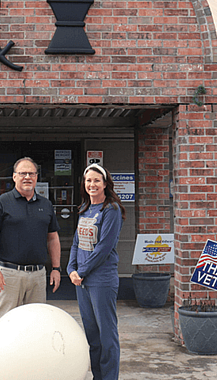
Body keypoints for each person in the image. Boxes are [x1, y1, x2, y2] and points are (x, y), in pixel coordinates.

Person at [0, 157, 62, 322]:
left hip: (38, 275)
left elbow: (53, 238)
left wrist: (56, 268)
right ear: (14, 177)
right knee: (6, 321)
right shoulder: (1, 203)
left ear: (36, 177)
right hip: (9, 274)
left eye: (31, 173)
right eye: (23, 173)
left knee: (36, 322)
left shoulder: (46, 205)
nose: (27, 177)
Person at [68, 163, 125, 380]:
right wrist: (71, 268)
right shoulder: (84, 209)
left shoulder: (111, 210)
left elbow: (103, 248)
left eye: (96, 180)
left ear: (105, 184)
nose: (92, 184)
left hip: (101, 281)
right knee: (92, 335)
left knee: (107, 335)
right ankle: (97, 377)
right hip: (81, 282)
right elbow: (76, 243)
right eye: (88, 180)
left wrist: (81, 271)